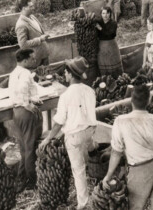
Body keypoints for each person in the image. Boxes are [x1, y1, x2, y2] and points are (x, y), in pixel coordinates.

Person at [103, 84, 153, 210]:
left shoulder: (121, 121)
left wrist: (108, 176)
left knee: (136, 205)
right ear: (149, 101)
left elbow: (116, 152)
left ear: (131, 101)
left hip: (140, 169)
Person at [40, 57, 97, 210]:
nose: (64, 75)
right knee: (88, 152)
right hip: (89, 131)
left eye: (65, 73)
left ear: (71, 75)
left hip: (75, 136)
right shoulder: (90, 90)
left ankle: (83, 204)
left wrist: (49, 138)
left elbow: (59, 122)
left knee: (78, 171)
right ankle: (94, 158)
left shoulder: (66, 95)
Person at [9, 48, 44, 191]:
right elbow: (22, 89)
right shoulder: (25, 73)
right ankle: (32, 181)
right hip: (26, 112)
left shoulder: (14, 73)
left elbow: (18, 91)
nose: (34, 60)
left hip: (16, 112)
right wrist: (28, 104)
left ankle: (21, 179)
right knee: (30, 148)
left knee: (23, 148)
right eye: (32, 58)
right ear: (24, 60)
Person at [16, 0, 50, 67]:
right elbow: (23, 45)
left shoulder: (32, 17)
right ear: (23, 8)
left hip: (43, 55)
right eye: (30, 6)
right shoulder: (21, 25)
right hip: (36, 59)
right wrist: (40, 39)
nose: (33, 8)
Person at [96, 7, 123, 79]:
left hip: (111, 45)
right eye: (103, 13)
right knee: (103, 65)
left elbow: (110, 34)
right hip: (101, 46)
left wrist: (100, 28)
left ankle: (117, 81)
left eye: (107, 13)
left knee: (113, 65)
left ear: (110, 14)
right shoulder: (99, 22)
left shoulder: (113, 23)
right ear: (101, 14)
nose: (105, 15)